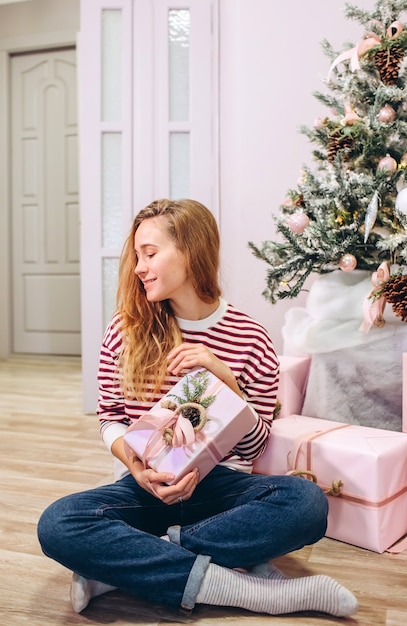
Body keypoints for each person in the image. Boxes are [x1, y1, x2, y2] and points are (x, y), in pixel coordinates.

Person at [37, 198, 358, 618]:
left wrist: (228, 382)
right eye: (137, 256)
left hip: (222, 489)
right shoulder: (125, 329)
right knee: (59, 523)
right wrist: (136, 466)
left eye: (150, 254)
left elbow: (253, 450)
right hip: (144, 487)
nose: (138, 267)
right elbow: (111, 416)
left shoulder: (250, 339)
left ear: (191, 251)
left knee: (307, 503)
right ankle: (251, 589)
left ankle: (128, 565)